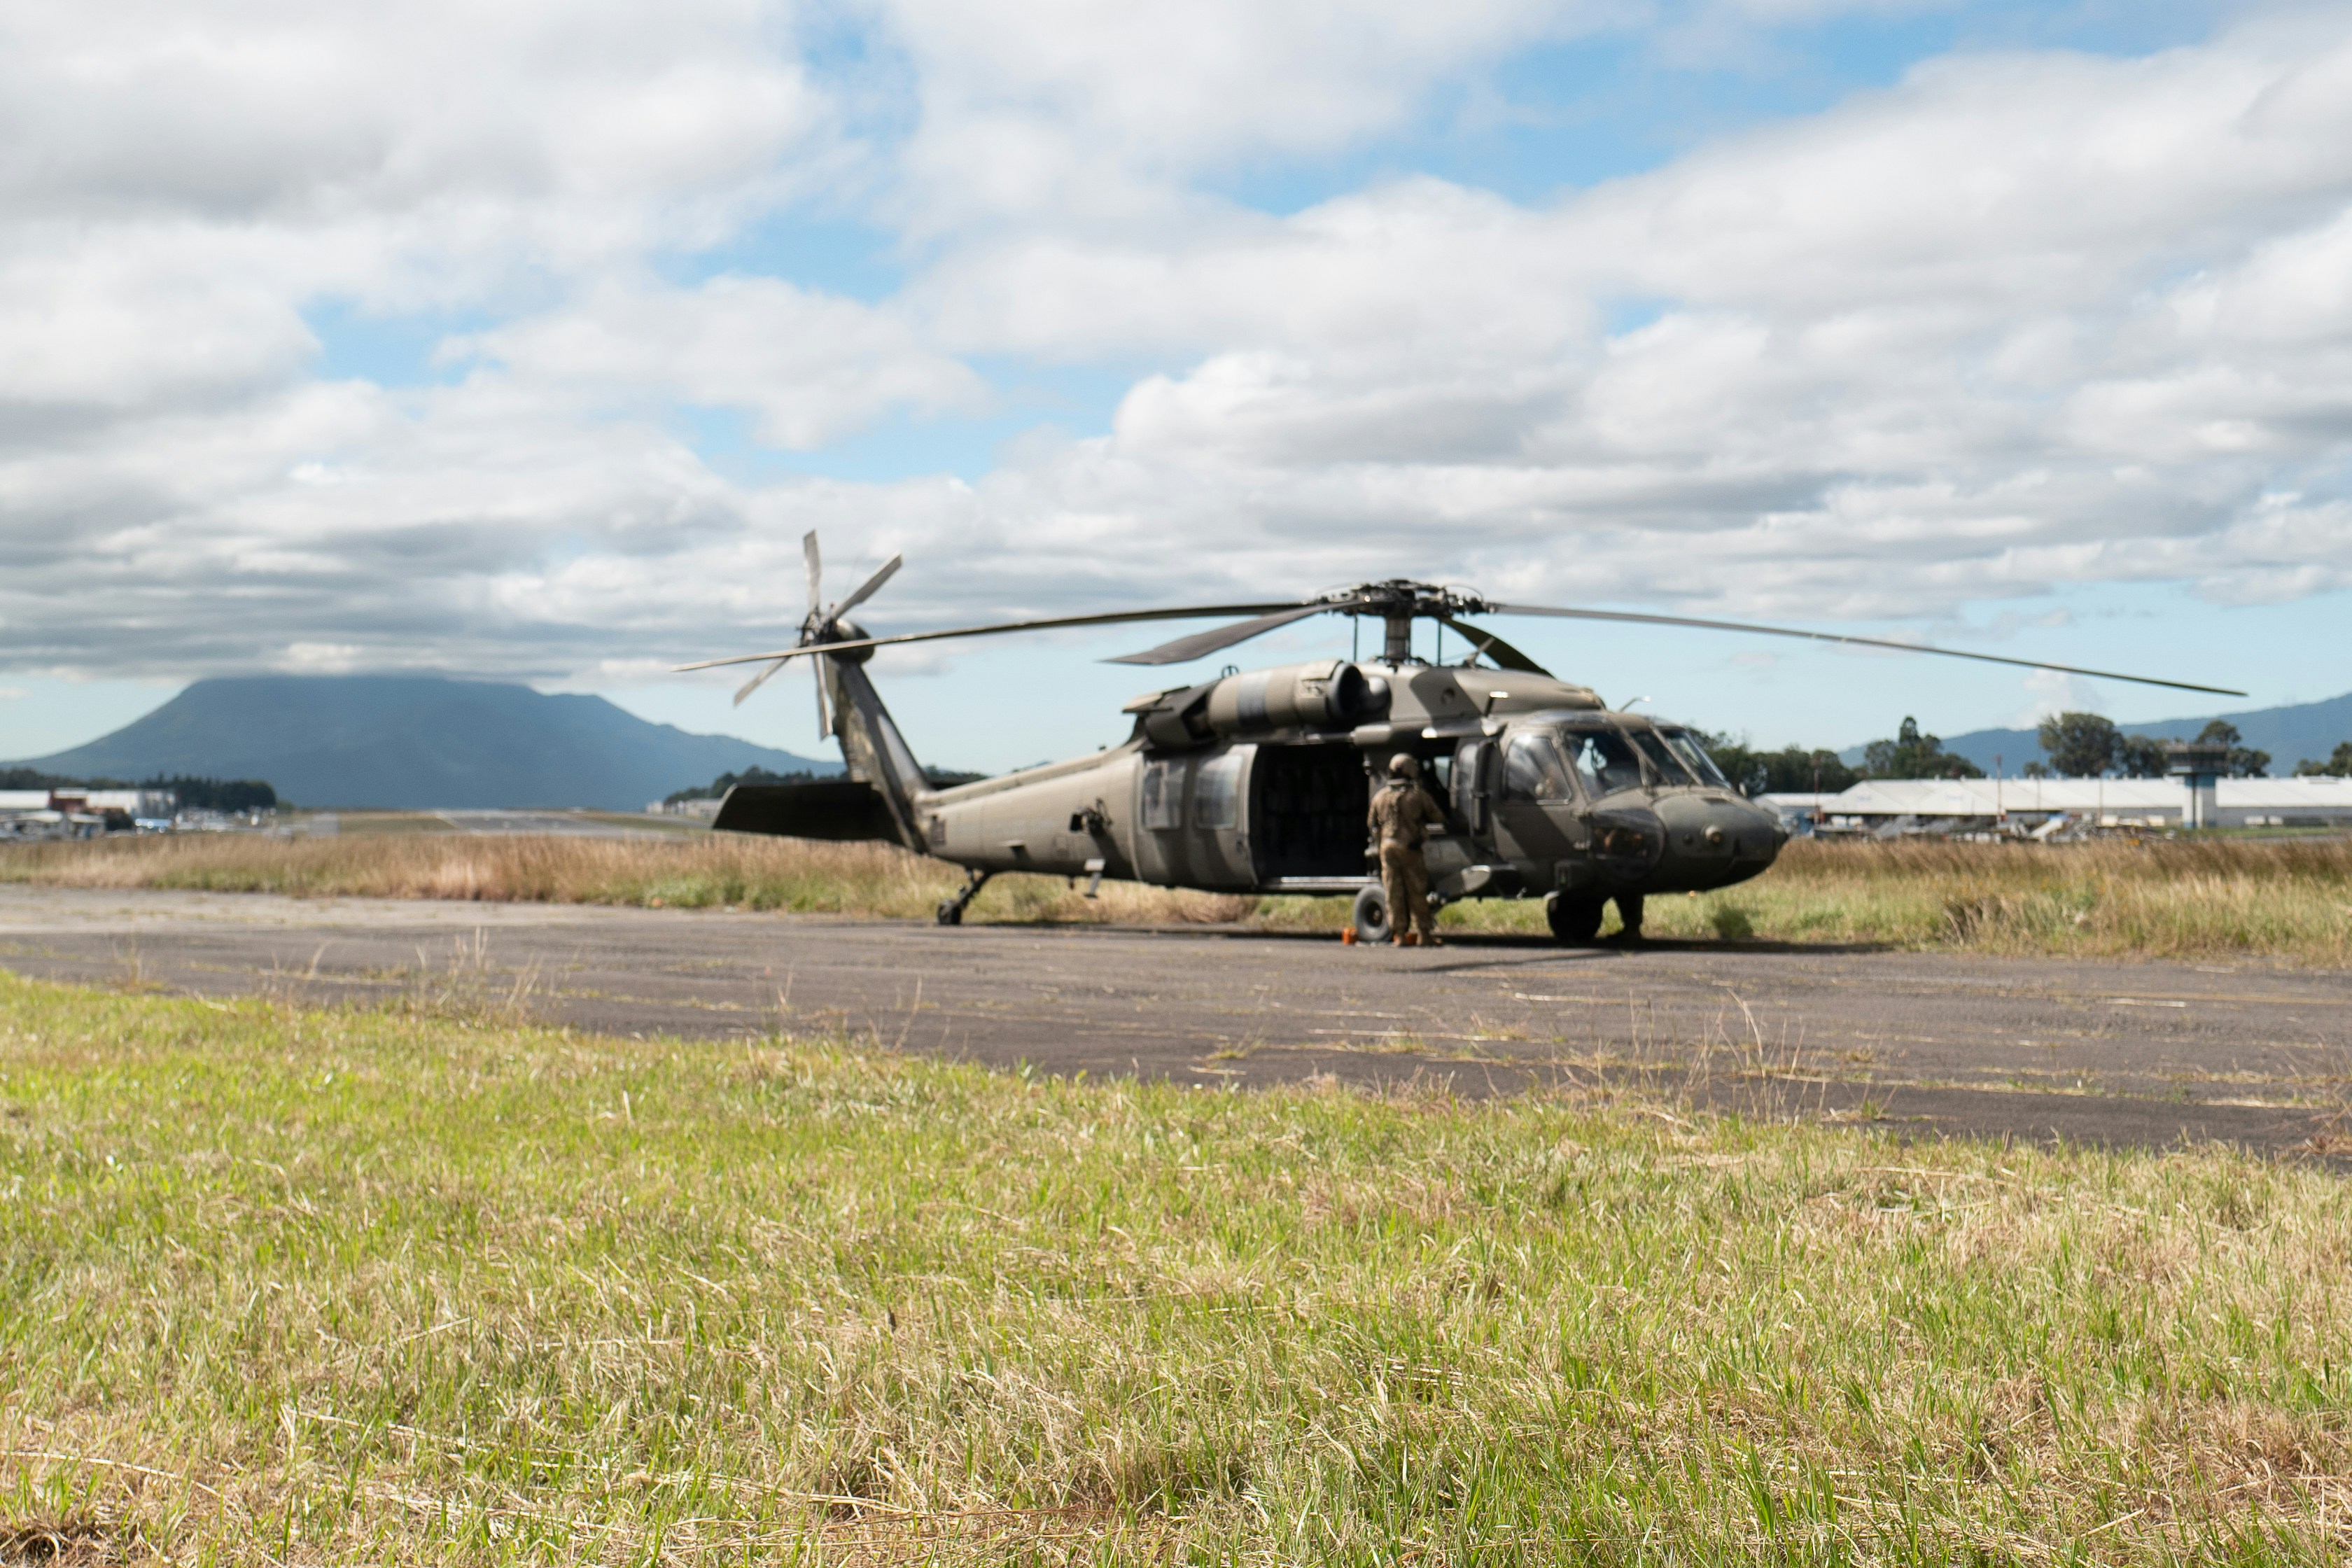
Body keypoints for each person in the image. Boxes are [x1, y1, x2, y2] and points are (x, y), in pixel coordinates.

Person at [1367, 752, 1446, 946]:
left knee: (1393, 892)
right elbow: (1438, 817)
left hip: (1387, 848)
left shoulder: (1380, 797)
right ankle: (1424, 935)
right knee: (1417, 891)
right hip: (1409, 848)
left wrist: (1379, 843)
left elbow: (1371, 824)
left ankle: (1399, 935)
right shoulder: (1417, 795)